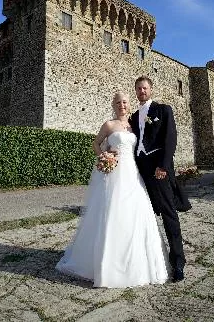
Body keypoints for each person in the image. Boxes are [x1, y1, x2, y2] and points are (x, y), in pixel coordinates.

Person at [56, 92, 169, 288]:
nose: (121, 105)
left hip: (133, 173)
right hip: (115, 173)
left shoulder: (134, 126)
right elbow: (96, 143)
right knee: (112, 212)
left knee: (135, 212)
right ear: (113, 105)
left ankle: (138, 264)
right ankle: (106, 264)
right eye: (118, 102)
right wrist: (104, 156)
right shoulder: (109, 125)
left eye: (124, 102)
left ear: (129, 104)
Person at [131, 76, 186, 282]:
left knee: (168, 213)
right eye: (139, 89)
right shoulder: (133, 116)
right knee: (141, 213)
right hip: (139, 170)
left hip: (158, 169)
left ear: (151, 90)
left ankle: (178, 262)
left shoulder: (163, 110)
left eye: (145, 88)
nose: (142, 91)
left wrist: (163, 166)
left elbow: (170, 139)